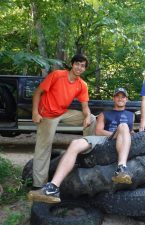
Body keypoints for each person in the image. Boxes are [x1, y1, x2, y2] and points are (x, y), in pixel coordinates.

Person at [28, 88, 134, 203]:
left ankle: (121, 169)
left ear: (126, 99)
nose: (120, 98)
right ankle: (52, 188)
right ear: (113, 98)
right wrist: (115, 134)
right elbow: (98, 131)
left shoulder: (131, 115)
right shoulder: (105, 114)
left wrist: (124, 134)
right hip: (105, 139)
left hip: (123, 139)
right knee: (75, 143)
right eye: (117, 96)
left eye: (123, 97)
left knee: (123, 126)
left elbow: (132, 133)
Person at [31, 54, 96, 189]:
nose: (79, 67)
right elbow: (38, 92)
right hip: (47, 114)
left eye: (83, 65)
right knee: (43, 148)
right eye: (77, 64)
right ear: (72, 64)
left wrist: (87, 116)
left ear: (85, 69)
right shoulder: (57, 75)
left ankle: (86, 151)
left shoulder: (82, 85)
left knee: (93, 118)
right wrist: (35, 112)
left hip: (62, 112)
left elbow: (85, 107)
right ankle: (38, 185)